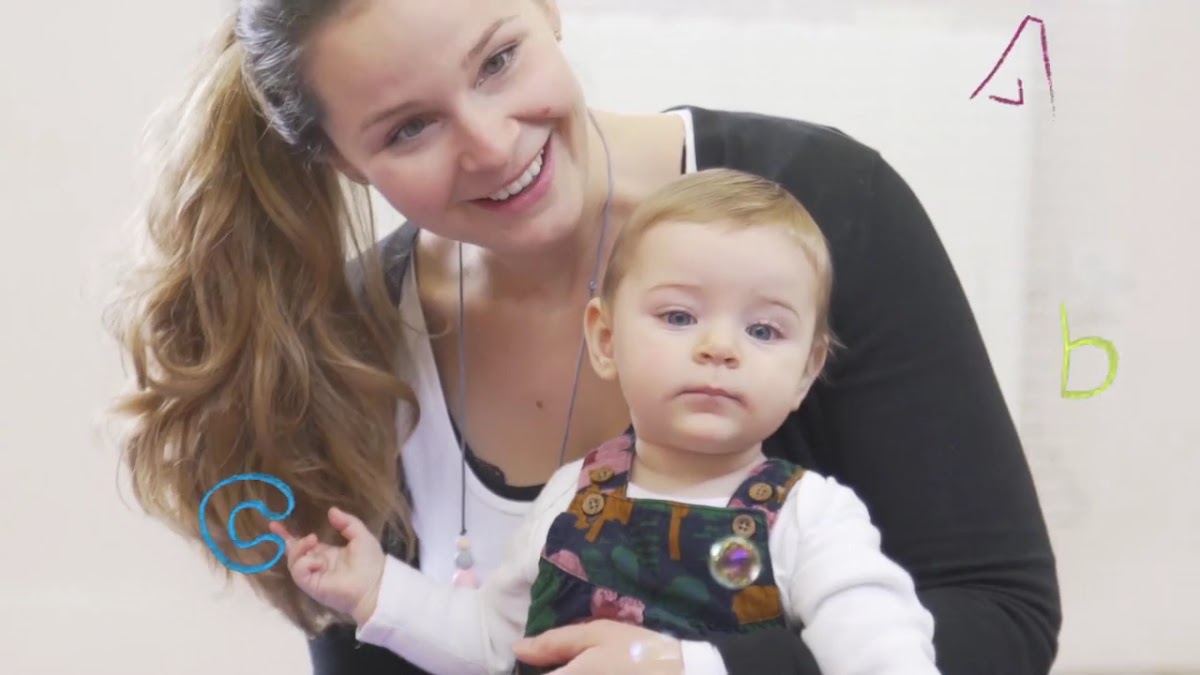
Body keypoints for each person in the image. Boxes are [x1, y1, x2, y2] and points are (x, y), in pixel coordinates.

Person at [107, 0, 1061, 673]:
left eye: (497, 61)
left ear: (547, 7)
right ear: (339, 159)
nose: (492, 144)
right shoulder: (352, 342)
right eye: (408, 129)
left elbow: (1000, 616)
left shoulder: (828, 209)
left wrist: (690, 667)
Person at [270, 168, 941, 675]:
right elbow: (491, 640)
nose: (720, 347)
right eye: (679, 316)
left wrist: (688, 665)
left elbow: (885, 658)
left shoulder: (812, 519)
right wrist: (376, 589)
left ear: (806, 372)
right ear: (605, 338)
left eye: (763, 330)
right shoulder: (571, 496)